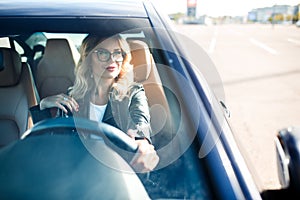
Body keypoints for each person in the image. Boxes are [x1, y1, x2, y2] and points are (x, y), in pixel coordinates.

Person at [30, 34, 159, 172]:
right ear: (88, 58)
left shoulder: (133, 92)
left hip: (117, 173)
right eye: (103, 53)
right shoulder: (72, 96)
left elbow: (140, 125)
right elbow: (51, 141)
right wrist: (43, 106)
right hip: (77, 171)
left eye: (117, 53)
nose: (112, 59)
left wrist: (142, 146)